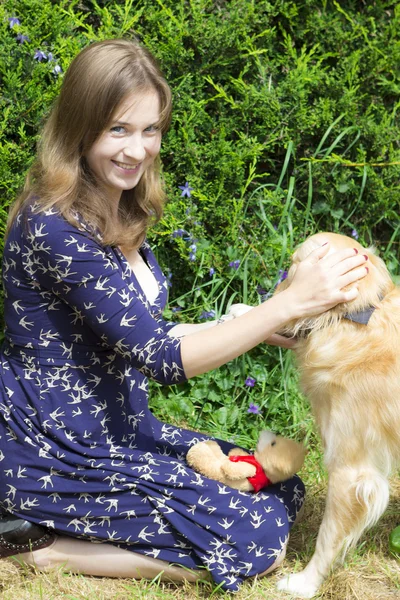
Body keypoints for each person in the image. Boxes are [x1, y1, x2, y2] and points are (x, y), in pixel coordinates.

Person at [0, 38, 368, 593]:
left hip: (118, 427)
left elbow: (147, 331)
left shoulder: (115, 202)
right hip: (51, 444)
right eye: (118, 130)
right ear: (80, 126)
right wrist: (288, 303)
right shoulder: (53, 226)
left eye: (150, 130)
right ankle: (45, 551)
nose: (137, 149)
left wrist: (266, 325)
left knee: (277, 485)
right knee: (255, 539)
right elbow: (165, 359)